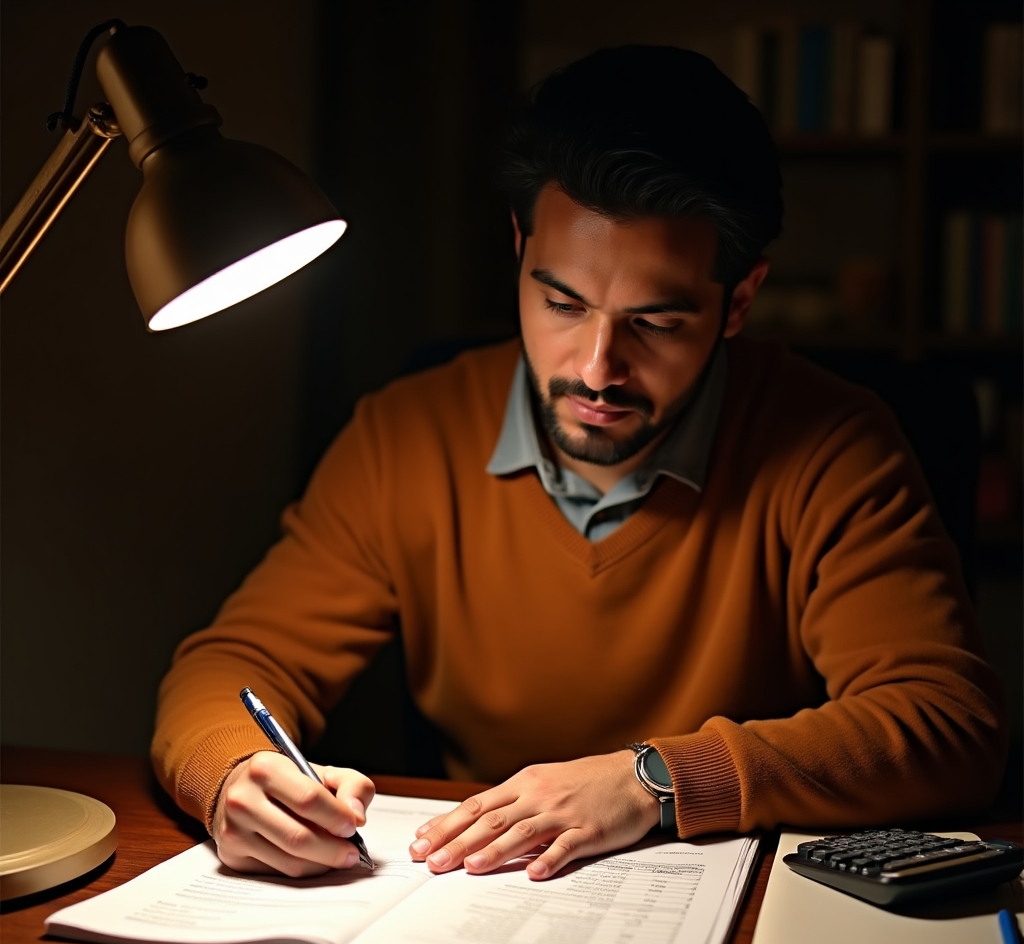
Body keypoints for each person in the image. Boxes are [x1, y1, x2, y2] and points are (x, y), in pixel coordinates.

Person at [152, 46, 1006, 882]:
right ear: (518, 246)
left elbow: (947, 724)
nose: (597, 368)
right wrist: (234, 773)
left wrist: (654, 780)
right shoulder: (408, 433)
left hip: (720, 917)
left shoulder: (832, 446)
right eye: (562, 302)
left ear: (738, 300)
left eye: (658, 323)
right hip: (478, 900)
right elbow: (234, 665)